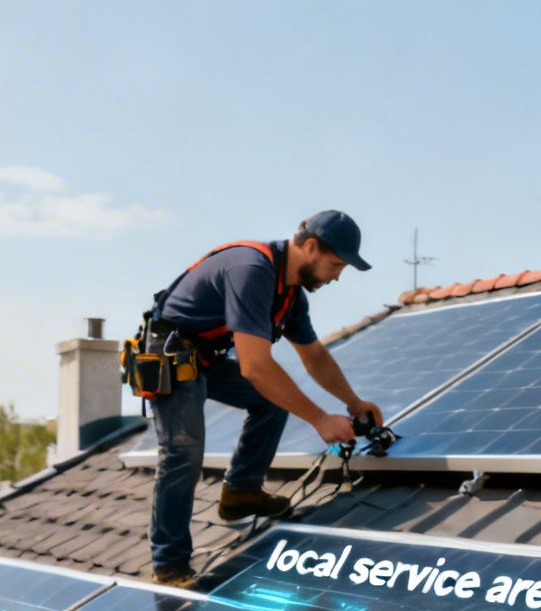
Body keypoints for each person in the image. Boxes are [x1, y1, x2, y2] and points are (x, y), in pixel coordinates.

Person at [145, 210, 384, 587]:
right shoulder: (252, 269)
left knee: (273, 400)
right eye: (336, 264)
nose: (338, 276)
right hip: (170, 357)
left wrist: (354, 403)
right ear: (309, 247)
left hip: (205, 359)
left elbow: (314, 356)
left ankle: (240, 493)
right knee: (183, 453)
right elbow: (255, 367)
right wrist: (321, 419)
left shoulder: (290, 297)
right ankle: (169, 565)